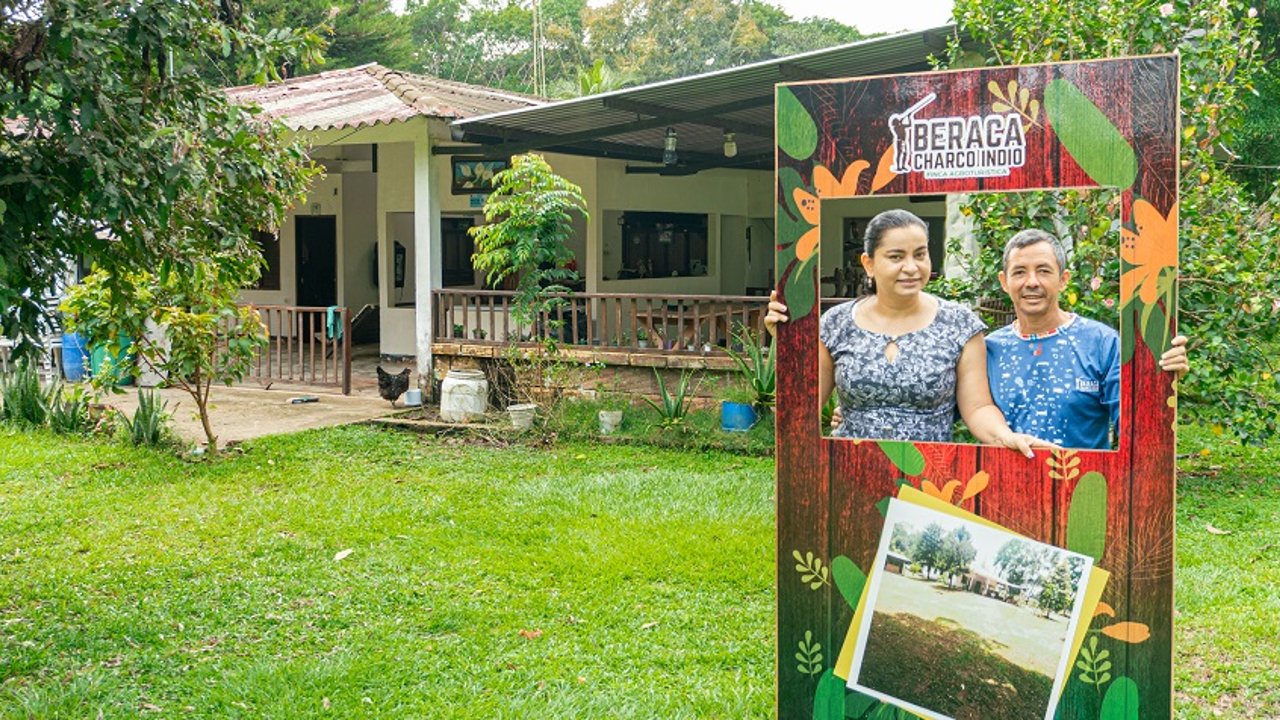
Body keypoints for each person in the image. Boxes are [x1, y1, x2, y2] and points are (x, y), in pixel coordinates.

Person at [765, 209, 1054, 458]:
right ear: (869, 264)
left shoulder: (959, 324)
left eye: (920, 255)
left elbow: (978, 407)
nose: (911, 267)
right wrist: (788, 345)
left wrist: (1006, 437)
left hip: (930, 480)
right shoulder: (837, 323)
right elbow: (802, 406)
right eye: (896, 256)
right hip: (848, 471)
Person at [987, 229, 1188, 449]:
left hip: (1087, 481)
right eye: (1019, 272)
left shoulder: (1102, 343)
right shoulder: (989, 349)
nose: (1032, 282)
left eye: (1044, 271)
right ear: (1004, 282)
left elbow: (1137, 428)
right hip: (1003, 481)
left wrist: (1162, 382)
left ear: (1063, 280)